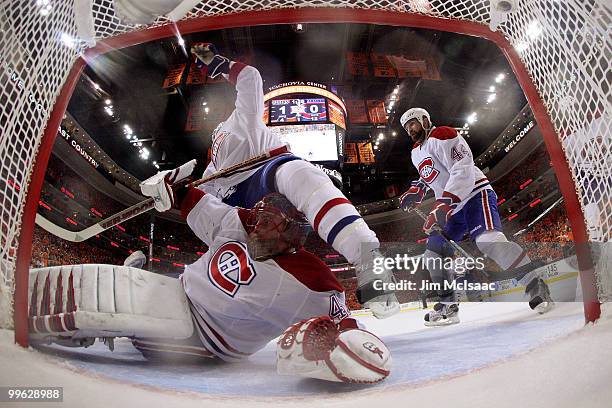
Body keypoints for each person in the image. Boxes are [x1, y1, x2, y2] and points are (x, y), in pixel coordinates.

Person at [187, 43, 399, 318]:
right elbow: (201, 207)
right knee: (226, 239)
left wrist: (217, 64)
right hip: (236, 200)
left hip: (265, 171)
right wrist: (175, 193)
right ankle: (201, 300)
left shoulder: (242, 118)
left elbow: (250, 78)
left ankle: (370, 265)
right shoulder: (210, 169)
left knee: (302, 176)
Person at [137, 167, 391, 383]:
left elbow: (348, 327)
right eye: (259, 218)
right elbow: (195, 202)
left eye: (268, 222)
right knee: (139, 299)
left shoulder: (313, 281)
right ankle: (133, 283)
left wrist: (358, 348)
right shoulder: (242, 221)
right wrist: (173, 189)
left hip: (204, 340)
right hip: (176, 294)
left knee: (130, 311)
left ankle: (131, 286)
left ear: (294, 232)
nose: (257, 226)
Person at [398, 107, 554, 326]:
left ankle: (535, 284)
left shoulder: (443, 134)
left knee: (489, 242)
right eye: (406, 127)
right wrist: (417, 190)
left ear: (425, 120)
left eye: (412, 123)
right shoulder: (416, 151)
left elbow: (463, 169)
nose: (409, 129)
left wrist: (442, 206)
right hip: (452, 205)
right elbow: (431, 174)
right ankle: (448, 306)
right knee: (433, 254)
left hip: (474, 194)